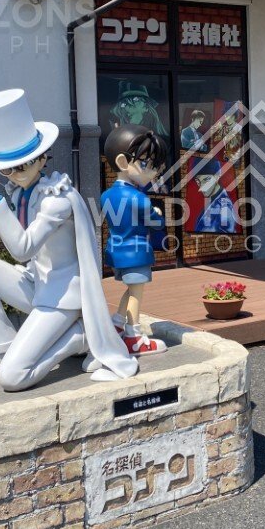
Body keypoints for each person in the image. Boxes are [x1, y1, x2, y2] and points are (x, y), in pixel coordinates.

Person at [0, 89, 138, 389]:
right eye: (7, 170)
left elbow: (21, 248)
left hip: (63, 298)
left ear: (41, 159)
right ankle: (0, 345)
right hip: (37, 285)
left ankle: (78, 337)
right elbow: (27, 259)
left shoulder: (58, 199)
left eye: (23, 165)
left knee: (12, 378)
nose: (16, 174)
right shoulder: (20, 192)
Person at [100, 124, 170, 356]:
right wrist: (158, 215)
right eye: (145, 164)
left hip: (115, 251)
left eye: (153, 167)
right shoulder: (140, 199)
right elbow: (155, 223)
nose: (151, 172)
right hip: (136, 251)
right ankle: (134, 335)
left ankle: (118, 322)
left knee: (130, 289)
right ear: (122, 162)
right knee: (136, 293)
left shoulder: (106, 195)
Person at [191, 157, 238, 234]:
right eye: (198, 181)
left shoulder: (224, 207)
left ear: (217, 177)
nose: (202, 186)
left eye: (206, 180)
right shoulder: (213, 201)